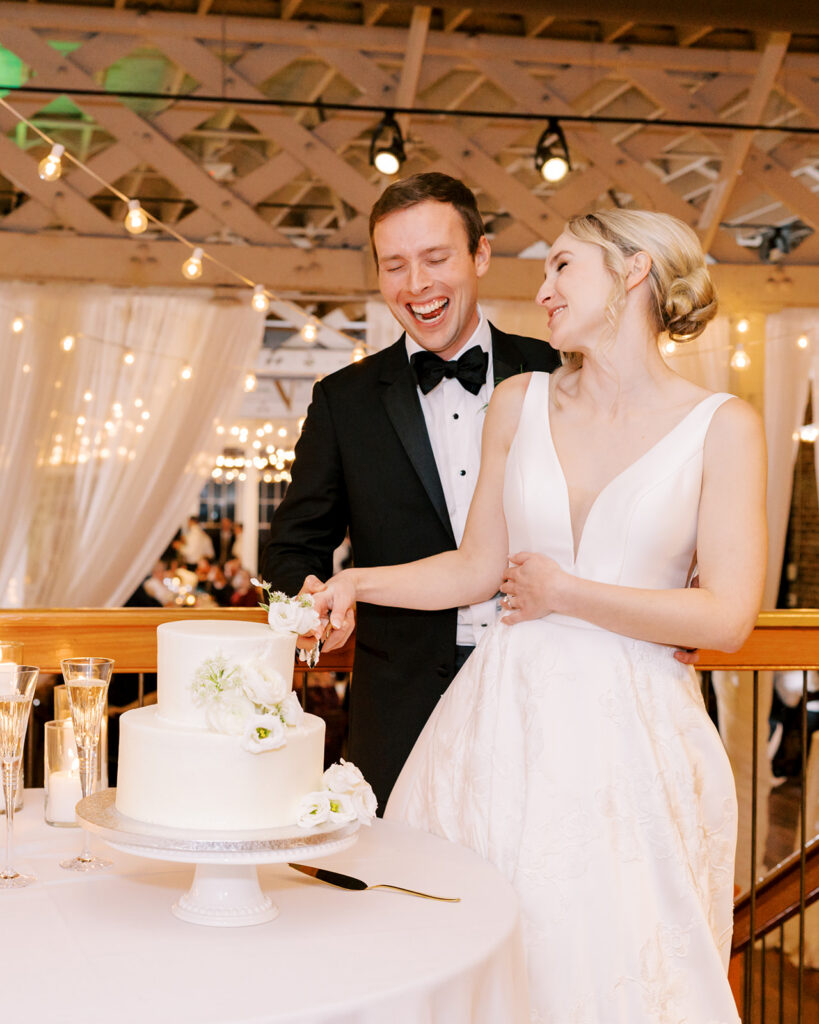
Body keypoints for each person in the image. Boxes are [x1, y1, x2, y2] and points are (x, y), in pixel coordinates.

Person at [312, 209, 767, 1022]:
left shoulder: (722, 428)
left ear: (630, 273)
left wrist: (568, 595)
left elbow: (728, 617)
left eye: (562, 267)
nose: (543, 289)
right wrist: (359, 584)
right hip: (500, 725)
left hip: (634, 733)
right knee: (474, 950)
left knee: (610, 961)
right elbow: (475, 567)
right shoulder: (518, 401)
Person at [261, 172, 560, 808]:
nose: (416, 285)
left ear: (480, 254)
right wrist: (306, 597)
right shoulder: (343, 401)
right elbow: (294, 542)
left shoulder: (556, 372)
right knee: (392, 894)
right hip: (398, 705)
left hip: (547, 682)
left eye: (435, 258)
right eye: (394, 265)